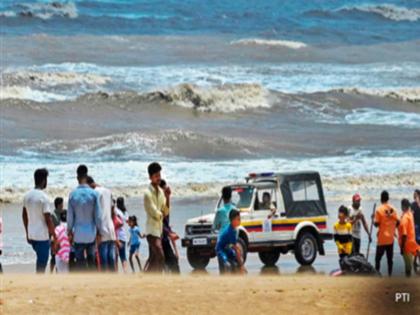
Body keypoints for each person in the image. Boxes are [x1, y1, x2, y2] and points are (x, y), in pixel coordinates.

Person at [67, 165, 102, 271]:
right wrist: (99, 231)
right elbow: (98, 216)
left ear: (77, 177)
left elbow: (70, 217)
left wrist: (69, 231)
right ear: (87, 176)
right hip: (91, 233)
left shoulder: (72, 195)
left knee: (80, 262)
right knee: (91, 260)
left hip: (78, 234)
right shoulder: (94, 194)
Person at [22, 168, 57, 273]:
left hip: (32, 235)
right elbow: (48, 219)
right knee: (42, 263)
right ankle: (38, 283)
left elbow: (24, 215)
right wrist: (55, 236)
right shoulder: (44, 198)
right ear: (44, 180)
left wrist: (27, 233)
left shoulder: (27, 196)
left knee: (40, 260)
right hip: (42, 236)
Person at [144, 162, 170, 273]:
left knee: (154, 260)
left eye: (159, 175)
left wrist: (168, 197)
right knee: (160, 255)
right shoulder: (147, 193)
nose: (158, 178)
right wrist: (162, 214)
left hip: (159, 231)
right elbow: (156, 213)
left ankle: (146, 278)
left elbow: (166, 211)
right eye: (156, 176)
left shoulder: (161, 192)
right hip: (151, 231)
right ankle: (157, 280)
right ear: (150, 177)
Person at [87, 176, 116, 272]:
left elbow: (96, 214)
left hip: (101, 229)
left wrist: (98, 231)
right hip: (110, 228)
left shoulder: (94, 193)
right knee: (111, 258)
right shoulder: (108, 191)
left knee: (103, 261)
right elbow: (112, 211)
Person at [374, 190, 399, 276]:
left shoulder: (379, 210)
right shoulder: (394, 209)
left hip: (382, 239)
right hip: (390, 239)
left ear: (381, 199)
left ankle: (377, 274)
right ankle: (390, 275)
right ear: (388, 198)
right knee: (389, 259)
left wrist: (372, 219)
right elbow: (398, 222)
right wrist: (392, 228)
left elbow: (376, 224)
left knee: (377, 259)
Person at [216, 209, 246, 274]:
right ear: (233, 220)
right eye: (238, 219)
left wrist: (239, 252)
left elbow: (234, 246)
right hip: (221, 250)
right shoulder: (231, 231)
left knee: (237, 259)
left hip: (227, 248)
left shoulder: (233, 229)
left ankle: (237, 273)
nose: (240, 221)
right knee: (227, 264)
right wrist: (242, 265)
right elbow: (235, 249)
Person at [160, 179, 180, 274]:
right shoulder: (157, 203)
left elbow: (166, 214)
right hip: (159, 239)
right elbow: (160, 222)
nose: (167, 189)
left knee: (172, 266)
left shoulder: (162, 202)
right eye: (164, 189)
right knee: (172, 266)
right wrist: (169, 233)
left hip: (164, 238)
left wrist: (168, 197)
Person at [398, 199, 420, 277]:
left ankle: (408, 282)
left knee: (408, 267)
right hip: (412, 243)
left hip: (406, 246)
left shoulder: (404, 218)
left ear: (402, 206)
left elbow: (404, 235)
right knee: (409, 264)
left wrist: (402, 248)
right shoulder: (410, 214)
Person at [50, 197, 64, 273]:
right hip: (54, 238)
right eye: (62, 204)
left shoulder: (63, 213)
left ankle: (58, 272)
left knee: (59, 256)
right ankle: (51, 272)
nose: (63, 206)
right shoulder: (53, 215)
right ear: (59, 205)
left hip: (61, 238)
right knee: (53, 257)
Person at [115, 197, 129, 272]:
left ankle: (116, 273)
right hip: (123, 236)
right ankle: (125, 272)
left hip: (116, 235)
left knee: (116, 256)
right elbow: (127, 221)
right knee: (123, 257)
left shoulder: (116, 211)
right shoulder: (125, 212)